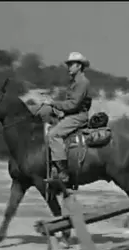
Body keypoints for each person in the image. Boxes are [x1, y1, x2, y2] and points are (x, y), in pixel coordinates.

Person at [47, 52, 92, 183]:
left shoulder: (82, 82)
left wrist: (53, 103)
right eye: (69, 65)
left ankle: (63, 172)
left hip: (78, 116)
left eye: (71, 65)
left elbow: (73, 104)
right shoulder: (75, 82)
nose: (69, 67)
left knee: (53, 134)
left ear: (79, 66)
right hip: (71, 114)